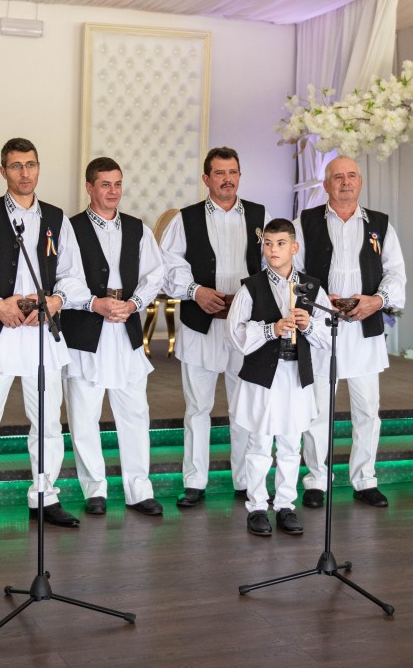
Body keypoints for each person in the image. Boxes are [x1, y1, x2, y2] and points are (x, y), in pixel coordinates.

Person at [0, 137, 90, 536]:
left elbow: (74, 277)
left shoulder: (56, 218)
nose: (24, 173)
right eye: (16, 166)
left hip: (41, 335)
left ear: (38, 168)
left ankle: (45, 496)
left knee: (48, 424)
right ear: (3, 171)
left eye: (30, 165)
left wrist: (56, 301)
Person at [160, 147, 271, 508]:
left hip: (246, 327)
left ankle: (245, 481)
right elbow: (168, 265)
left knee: (244, 406)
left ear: (240, 176)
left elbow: (276, 262)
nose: (227, 179)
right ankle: (195, 482)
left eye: (233, 172)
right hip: (200, 323)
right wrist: (196, 291)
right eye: (220, 173)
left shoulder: (260, 216)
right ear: (206, 178)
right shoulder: (185, 219)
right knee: (197, 407)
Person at [293, 156, 406, 509]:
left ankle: (365, 479)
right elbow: (291, 272)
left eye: (351, 176)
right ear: (326, 184)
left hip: (364, 328)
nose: (345, 182)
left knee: (367, 410)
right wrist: (321, 300)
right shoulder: (304, 223)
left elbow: (396, 273)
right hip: (319, 329)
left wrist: (377, 301)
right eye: (338, 176)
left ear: (360, 182)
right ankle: (316, 479)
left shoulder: (380, 224)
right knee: (317, 410)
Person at [61, 157, 167, 517]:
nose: (113, 191)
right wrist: (94, 303)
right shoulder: (70, 228)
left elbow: (154, 274)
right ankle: (95, 489)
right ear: (89, 187)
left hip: (126, 328)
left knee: (135, 413)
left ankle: (139, 490)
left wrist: (134, 303)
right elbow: (64, 277)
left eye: (117, 184)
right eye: (105, 184)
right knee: (83, 415)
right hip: (84, 329)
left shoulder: (138, 228)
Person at [226, 219, 329, 536]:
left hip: (295, 376)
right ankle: (257, 507)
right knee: (259, 443)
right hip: (262, 377)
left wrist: (308, 324)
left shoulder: (311, 287)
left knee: (290, 444)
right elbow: (234, 334)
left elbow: (327, 334)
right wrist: (271, 329)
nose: (273, 250)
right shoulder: (251, 287)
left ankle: (286, 505)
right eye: (268, 244)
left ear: (294, 247)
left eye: (281, 243)